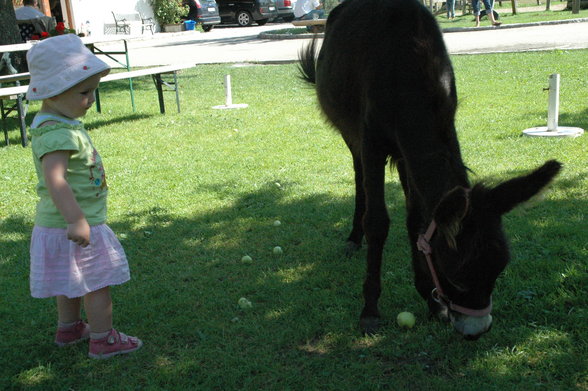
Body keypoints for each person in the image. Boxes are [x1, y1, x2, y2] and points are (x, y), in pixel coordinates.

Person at [26, 34, 143, 360]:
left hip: (58, 224)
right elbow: (55, 179)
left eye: (93, 90)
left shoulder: (54, 122)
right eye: (83, 92)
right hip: (77, 222)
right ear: (52, 90)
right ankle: (103, 339)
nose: (91, 99)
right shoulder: (58, 132)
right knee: (97, 282)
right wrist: (77, 220)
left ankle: (70, 327)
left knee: (70, 280)